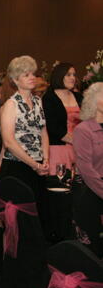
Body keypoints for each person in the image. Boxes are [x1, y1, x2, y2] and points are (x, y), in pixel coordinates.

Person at [0, 56, 49, 224]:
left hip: (38, 166)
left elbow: (43, 131)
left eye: (32, 73)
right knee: (18, 221)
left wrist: (45, 159)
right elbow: (9, 142)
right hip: (17, 166)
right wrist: (35, 164)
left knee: (37, 216)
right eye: (26, 75)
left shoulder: (38, 101)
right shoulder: (11, 105)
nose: (32, 77)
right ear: (15, 80)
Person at [72, 82, 103, 256]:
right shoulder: (83, 130)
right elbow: (86, 169)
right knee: (94, 251)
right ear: (94, 102)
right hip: (91, 193)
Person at [42, 62, 83, 176]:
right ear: (59, 77)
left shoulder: (78, 97)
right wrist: (76, 141)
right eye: (68, 75)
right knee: (60, 185)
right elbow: (52, 127)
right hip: (58, 149)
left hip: (79, 149)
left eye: (74, 75)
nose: (73, 78)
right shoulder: (49, 98)